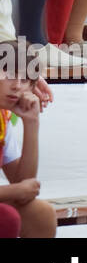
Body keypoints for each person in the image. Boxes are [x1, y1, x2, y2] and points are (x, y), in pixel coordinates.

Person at [0, 40, 55, 237]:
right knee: (7, 217)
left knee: (41, 214)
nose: (16, 86)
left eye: (24, 80)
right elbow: (20, 189)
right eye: (9, 76)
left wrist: (31, 123)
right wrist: (15, 191)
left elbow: (25, 186)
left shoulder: (3, 119)